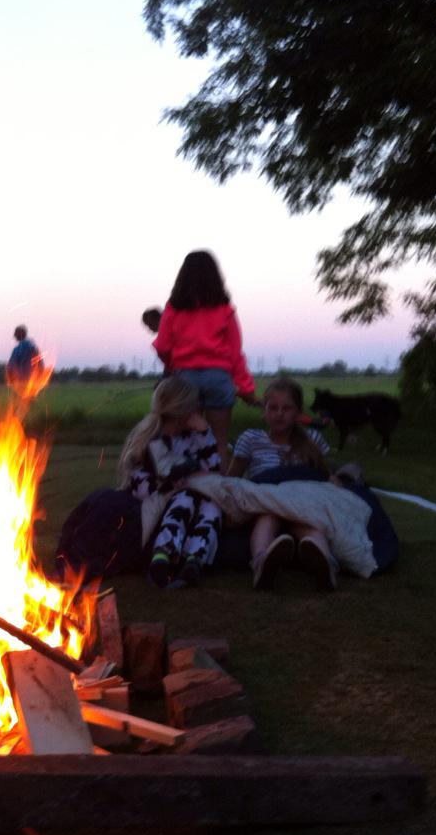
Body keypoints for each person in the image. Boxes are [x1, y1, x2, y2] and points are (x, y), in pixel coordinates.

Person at [228, 378, 338, 590]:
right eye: (273, 408)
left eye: (286, 408)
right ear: (264, 410)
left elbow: (324, 477)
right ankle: (261, 563)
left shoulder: (312, 439)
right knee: (267, 518)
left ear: (297, 412)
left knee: (306, 522)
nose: (279, 414)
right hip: (265, 501)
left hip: (302, 501)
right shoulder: (250, 439)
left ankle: (325, 565)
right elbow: (233, 479)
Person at [152, 250, 257, 468]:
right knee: (219, 441)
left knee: (186, 441)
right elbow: (235, 354)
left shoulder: (173, 308)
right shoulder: (226, 310)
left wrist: (172, 366)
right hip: (218, 378)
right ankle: (220, 492)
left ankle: (190, 489)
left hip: (184, 381)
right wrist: (246, 389)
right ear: (215, 276)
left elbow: (162, 346)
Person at [118, 375, 223, 588]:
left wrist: (205, 433)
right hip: (157, 498)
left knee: (212, 503)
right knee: (185, 497)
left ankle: (195, 559)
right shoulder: (151, 439)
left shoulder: (191, 436)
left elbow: (213, 471)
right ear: (182, 409)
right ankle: (162, 556)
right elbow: (154, 479)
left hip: (187, 492)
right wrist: (188, 477)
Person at [5, 324, 41, 391]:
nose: (14, 336)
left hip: (21, 380)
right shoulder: (33, 347)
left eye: (16, 334)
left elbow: (10, 365)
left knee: (24, 399)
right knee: (29, 398)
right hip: (33, 380)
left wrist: (10, 378)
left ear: (20, 334)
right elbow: (40, 363)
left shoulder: (18, 349)